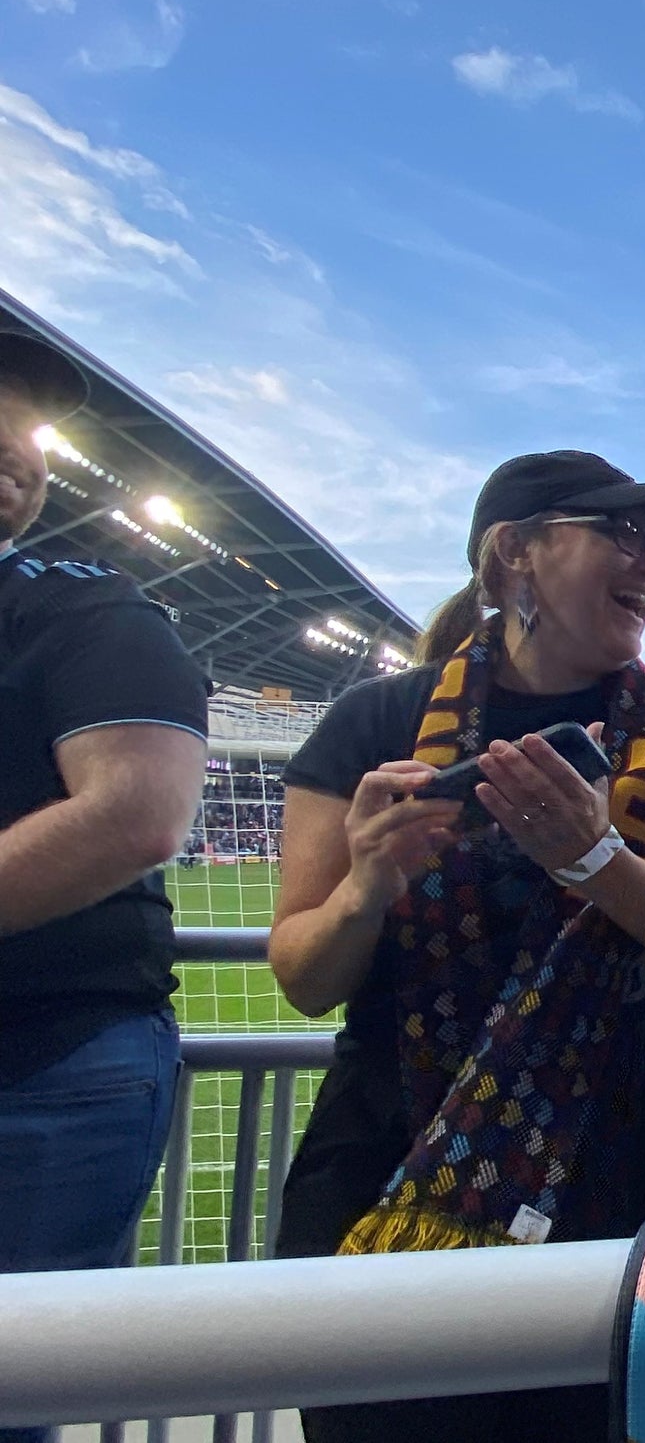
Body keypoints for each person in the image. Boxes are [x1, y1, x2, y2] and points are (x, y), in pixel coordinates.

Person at [269, 450, 645, 1443]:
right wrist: (366, 885)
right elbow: (307, 975)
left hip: (624, 1166)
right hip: (394, 1156)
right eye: (618, 530)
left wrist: (594, 855)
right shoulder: (379, 720)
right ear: (512, 557)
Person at [0, 334, 210, 1443]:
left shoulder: (87, 606)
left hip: (41, 1057)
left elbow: (137, 810)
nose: (11, 435)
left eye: (28, 419)